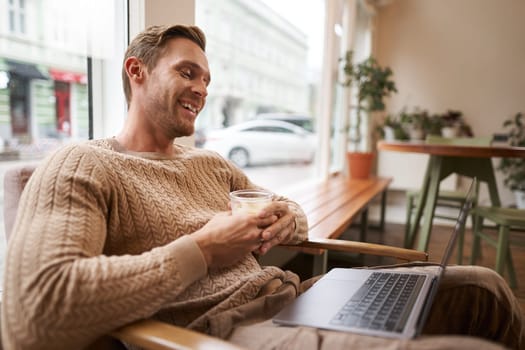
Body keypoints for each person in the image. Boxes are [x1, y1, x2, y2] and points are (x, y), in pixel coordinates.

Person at [1, 24, 523, 350]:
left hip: (293, 298)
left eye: (207, 79)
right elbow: (36, 312)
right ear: (136, 71)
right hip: (222, 332)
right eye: (188, 72)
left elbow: (283, 205)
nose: (202, 90)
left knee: (486, 288)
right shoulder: (83, 164)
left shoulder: (208, 161)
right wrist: (202, 250)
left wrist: (287, 218)